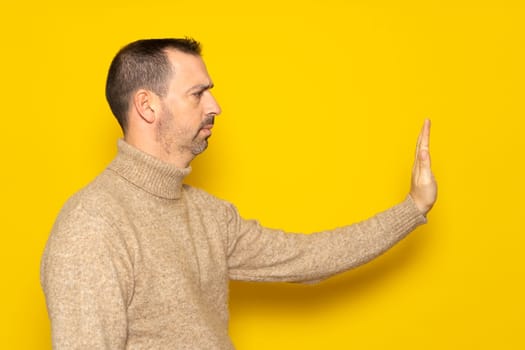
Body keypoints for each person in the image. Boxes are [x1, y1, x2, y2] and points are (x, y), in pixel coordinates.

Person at [40, 38, 437, 349]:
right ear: (148, 106)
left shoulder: (208, 215)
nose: (216, 106)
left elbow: (307, 257)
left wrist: (413, 207)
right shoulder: (92, 226)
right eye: (198, 94)